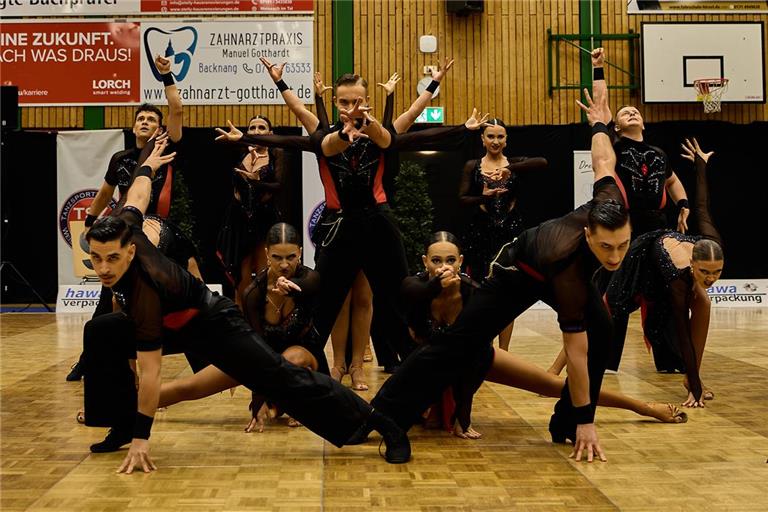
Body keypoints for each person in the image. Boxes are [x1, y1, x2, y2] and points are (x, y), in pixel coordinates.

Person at [85, 137, 411, 473]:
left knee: (283, 378)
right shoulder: (128, 227)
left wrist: (142, 439)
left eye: (112, 258)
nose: (105, 268)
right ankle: (117, 419)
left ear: (130, 250)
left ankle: (383, 424)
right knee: (99, 332)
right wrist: (148, 165)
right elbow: (138, 194)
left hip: (213, 324)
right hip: (176, 323)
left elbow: (151, 373)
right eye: (96, 259)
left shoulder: (145, 291)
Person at [358, 82, 630, 463]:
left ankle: (565, 423)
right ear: (588, 234)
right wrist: (590, 420)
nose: (614, 256)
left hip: (557, 266)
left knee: (605, 328)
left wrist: (600, 126)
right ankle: (382, 414)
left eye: (622, 245)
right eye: (605, 247)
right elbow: (576, 354)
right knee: (458, 343)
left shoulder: (611, 200)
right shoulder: (568, 267)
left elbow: (604, 162)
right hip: (518, 271)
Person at [215, 74, 489, 399]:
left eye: (356, 101)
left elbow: (415, 131)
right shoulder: (325, 136)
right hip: (341, 225)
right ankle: (309, 380)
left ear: (366, 101)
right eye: (344, 102)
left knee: (393, 299)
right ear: (336, 103)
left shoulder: (379, 134)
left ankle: (416, 379)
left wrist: (461, 126)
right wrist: (247, 131)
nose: (350, 108)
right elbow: (294, 135)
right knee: (325, 303)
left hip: (378, 225)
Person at [402, 232, 687, 440]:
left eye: (450, 259)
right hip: (430, 365)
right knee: (423, 419)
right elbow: (413, 346)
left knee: (555, 385)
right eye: (436, 260)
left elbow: (490, 331)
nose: (443, 267)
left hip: (474, 360)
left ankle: (642, 407)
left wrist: (465, 409)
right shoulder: (415, 289)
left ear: (461, 261)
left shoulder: (471, 290)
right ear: (424, 261)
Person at [66, 54, 189, 382]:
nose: (146, 122)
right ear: (134, 125)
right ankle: (91, 357)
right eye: (141, 118)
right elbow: (106, 193)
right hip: (125, 229)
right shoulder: (120, 158)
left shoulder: (165, 146)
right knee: (110, 292)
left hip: (156, 230)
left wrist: (166, 76)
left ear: (159, 127)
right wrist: (91, 221)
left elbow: (176, 109)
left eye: (152, 118)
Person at [158, 222, 328, 433]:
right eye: (277, 257)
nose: (285, 265)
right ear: (267, 254)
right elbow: (257, 344)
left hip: (306, 358)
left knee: (292, 359)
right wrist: (257, 396)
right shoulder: (253, 293)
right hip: (264, 362)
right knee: (189, 386)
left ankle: (286, 404)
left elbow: (309, 286)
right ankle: (126, 406)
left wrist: (293, 291)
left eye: (291, 257)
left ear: (300, 253)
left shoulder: (310, 278)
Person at [605, 137, 723, 407]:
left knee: (704, 302)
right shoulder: (680, 276)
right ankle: (555, 370)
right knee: (609, 306)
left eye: (717, 273)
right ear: (693, 264)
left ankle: (690, 377)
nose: (711, 279)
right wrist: (695, 391)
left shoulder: (711, 243)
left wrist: (701, 165)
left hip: (666, 243)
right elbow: (682, 329)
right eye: (705, 272)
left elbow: (702, 206)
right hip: (642, 253)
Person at [459, 118, 547, 350]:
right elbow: (461, 199)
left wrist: (510, 169)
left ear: (506, 140)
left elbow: (542, 162)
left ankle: (504, 351)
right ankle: (482, 346)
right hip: (481, 231)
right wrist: (484, 197)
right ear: (482, 139)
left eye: (500, 136)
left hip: (510, 231)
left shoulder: (516, 162)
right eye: (490, 136)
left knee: (507, 292)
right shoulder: (472, 165)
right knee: (481, 290)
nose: (495, 141)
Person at [217, 115, 285, 304]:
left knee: (264, 275)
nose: (256, 131)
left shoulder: (276, 153)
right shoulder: (240, 152)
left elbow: (279, 186)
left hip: (264, 217)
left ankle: (262, 323)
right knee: (241, 277)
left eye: (261, 128)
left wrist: (257, 181)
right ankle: (241, 324)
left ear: (270, 133)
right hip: (239, 219)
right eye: (252, 128)